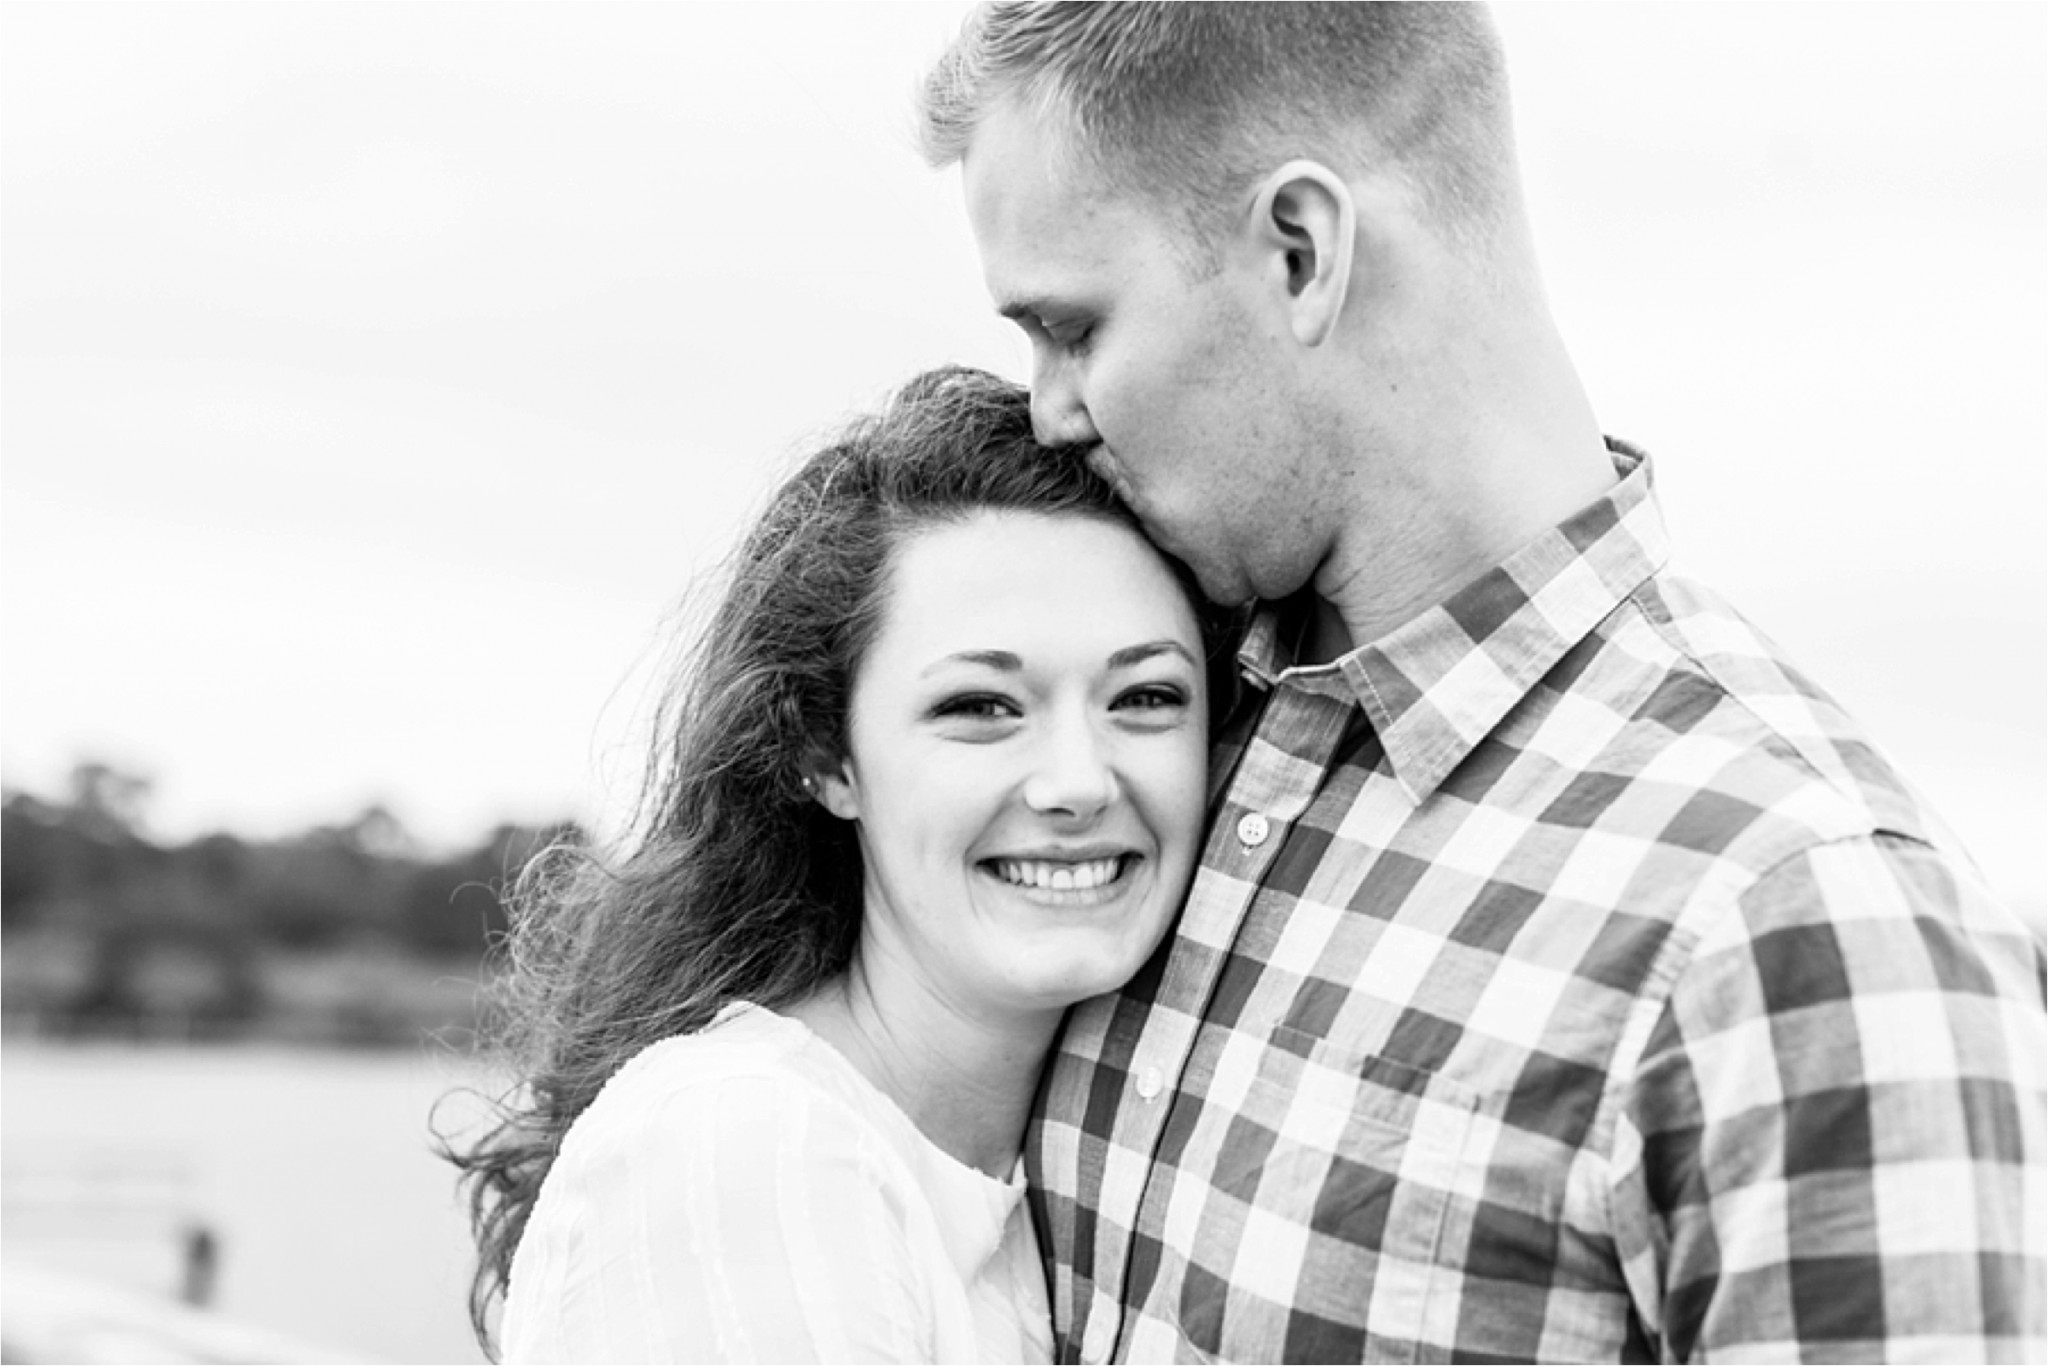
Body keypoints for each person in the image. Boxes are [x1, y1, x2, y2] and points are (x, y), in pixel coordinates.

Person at [918, 5, 2048, 1362]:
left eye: (1074, 326)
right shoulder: (1135, 767)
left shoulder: (1801, 926)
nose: (1048, 405)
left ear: (1301, 251)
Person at [448, 367, 1223, 1362]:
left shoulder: (1025, 1186)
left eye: (1145, 697)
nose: (1076, 781)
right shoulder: (748, 1151)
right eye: (980, 707)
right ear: (826, 756)